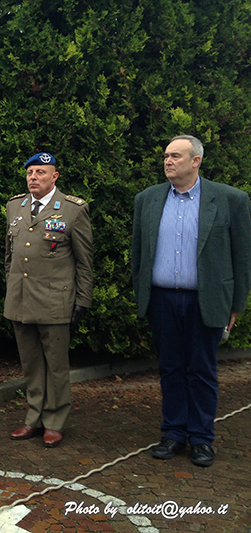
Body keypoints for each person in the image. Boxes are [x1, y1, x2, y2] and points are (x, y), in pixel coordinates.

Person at [132, 135, 251, 467]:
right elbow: (138, 254)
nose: (168, 161)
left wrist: (236, 305)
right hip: (162, 300)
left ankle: (201, 438)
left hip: (205, 300)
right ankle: (172, 433)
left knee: (202, 370)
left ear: (195, 161)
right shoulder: (148, 199)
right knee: (170, 368)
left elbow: (242, 258)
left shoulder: (230, 199)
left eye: (176, 156)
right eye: (166, 156)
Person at [4, 152, 93, 448]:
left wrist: (83, 298)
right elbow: (9, 254)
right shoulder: (15, 206)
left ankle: (54, 420)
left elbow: (84, 260)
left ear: (54, 176)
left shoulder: (72, 210)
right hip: (20, 299)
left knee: (55, 364)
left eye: (41, 172)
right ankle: (33, 417)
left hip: (55, 300)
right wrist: (11, 285)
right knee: (30, 364)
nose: (33, 177)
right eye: (30, 172)